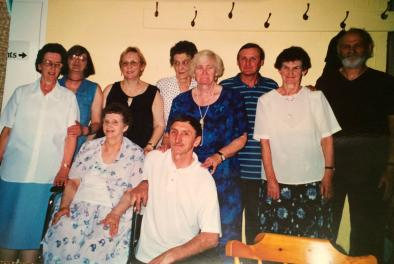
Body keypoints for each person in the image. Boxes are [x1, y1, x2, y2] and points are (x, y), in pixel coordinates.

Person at [315, 28, 394, 262]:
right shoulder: (326, 82)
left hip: (372, 168)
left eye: (356, 45)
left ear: (369, 48)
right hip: (333, 167)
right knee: (325, 230)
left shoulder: (385, 82)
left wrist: (390, 167)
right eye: (346, 46)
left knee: (368, 231)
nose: (351, 50)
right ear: (338, 51)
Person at [0, 43, 79, 263]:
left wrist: (64, 169)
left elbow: (70, 137)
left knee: (33, 235)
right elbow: (6, 130)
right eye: (48, 63)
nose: (52, 68)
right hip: (12, 174)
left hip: (46, 177)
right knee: (5, 234)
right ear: (39, 65)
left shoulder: (67, 99)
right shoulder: (21, 93)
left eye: (57, 64)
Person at [164, 49, 248, 255]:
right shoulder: (181, 101)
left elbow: (242, 138)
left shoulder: (232, 98)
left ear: (217, 71)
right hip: (188, 174)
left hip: (223, 174)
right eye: (199, 67)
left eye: (209, 67)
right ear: (193, 71)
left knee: (225, 230)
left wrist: (219, 156)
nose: (204, 71)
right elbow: (169, 136)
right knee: (188, 230)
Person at [253, 46, 341, 239]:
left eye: (296, 68)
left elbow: (327, 139)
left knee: (313, 239)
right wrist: (271, 180)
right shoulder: (265, 101)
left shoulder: (316, 98)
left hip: (312, 180)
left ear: (305, 70)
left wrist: (328, 175)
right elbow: (264, 144)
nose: (290, 73)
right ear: (279, 70)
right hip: (278, 181)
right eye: (285, 67)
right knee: (276, 239)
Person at [42, 103, 144, 263]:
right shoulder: (89, 147)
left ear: (125, 127)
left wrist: (115, 214)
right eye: (106, 122)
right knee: (63, 232)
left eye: (115, 122)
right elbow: (73, 182)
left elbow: (131, 192)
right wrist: (64, 206)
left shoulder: (135, 152)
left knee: (95, 249)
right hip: (79, 206)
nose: (109, 126)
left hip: (112, 209)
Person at [112, 115, 221, 263]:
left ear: (197, 141)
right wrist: (116, 213)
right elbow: (135, 191)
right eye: (174, 132)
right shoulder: (153, 159)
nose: (178, 138)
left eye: (186, 133)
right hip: (143, 256)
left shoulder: (204, 179)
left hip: (179, 259)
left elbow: (211, 237)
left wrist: (168, 257)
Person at [220, 43, 278, 244]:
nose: (248, 63)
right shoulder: (226, 87)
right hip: (232, 168)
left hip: (260, 170)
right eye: (243, 58)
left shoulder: (271, 87)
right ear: (237, 61)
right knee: (228, 224)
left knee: (256, 225)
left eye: (253, 58)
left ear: (261, 62)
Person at [100, 46, 165, 153]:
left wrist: (150, 146)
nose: (129, 67)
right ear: (121, 67)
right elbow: (101, 120)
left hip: (139, 151)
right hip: (108, 149)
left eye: (133, 63)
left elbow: (159, 125)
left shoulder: (153, 93)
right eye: (125, 63)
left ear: (142, 66)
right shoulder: (109, 89)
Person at [59, 45, 103, 155]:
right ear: (66, 60)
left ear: (87, 64)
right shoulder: (56, 85)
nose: (77, 61)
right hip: (52, 145)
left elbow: (97, 122)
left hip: (79, 149)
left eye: (82, 59)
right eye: (73, 57)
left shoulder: (94, 89)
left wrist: (84, 130)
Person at [156, 40, 198, 124]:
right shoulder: (162, 85)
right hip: (167, 135)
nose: (180, 67)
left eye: (185, 63)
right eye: (176, 63)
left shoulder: (199, 85)